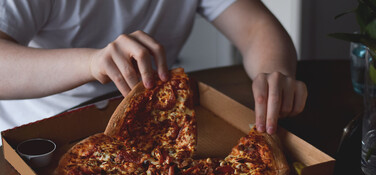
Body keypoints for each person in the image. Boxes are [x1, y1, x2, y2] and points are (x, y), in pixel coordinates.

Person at [0, 0, 307, 136]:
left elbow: (256, 27)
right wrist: (91, 63)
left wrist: (274, 72)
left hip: (155, 123)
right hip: (41, 133)